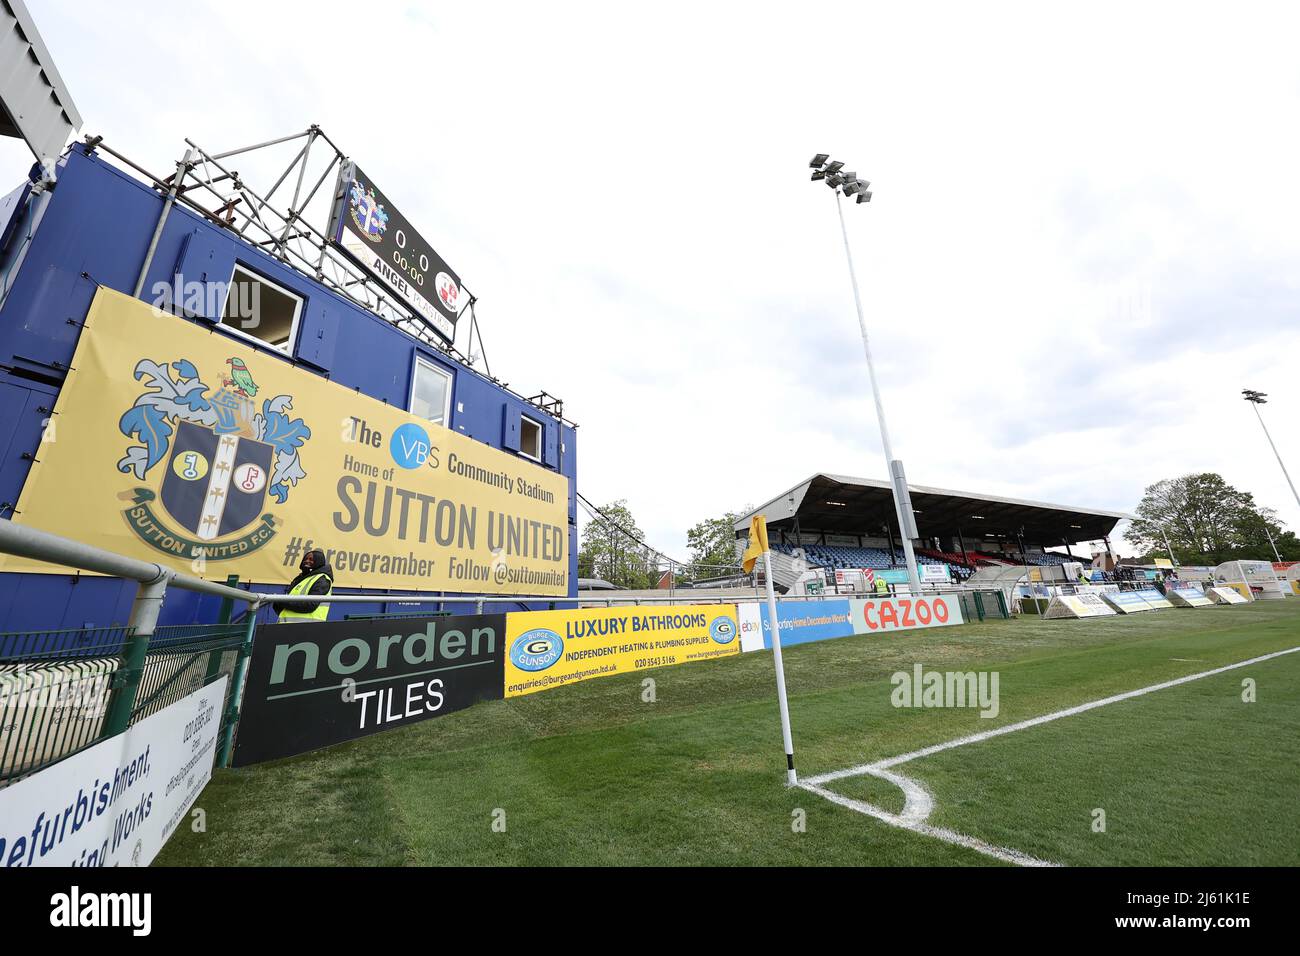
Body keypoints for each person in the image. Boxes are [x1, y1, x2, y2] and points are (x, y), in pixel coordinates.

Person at [273, 548, 333, 623]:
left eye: (311, 559)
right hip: (288, 625)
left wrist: (281, 601)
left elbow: (310, 605)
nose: (307, 561)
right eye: (306, 558)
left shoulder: (322, 579)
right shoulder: (301, 578)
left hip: (306, 628)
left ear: (319, 561)